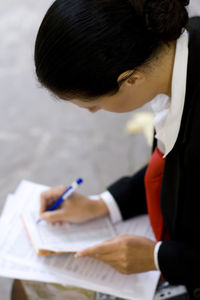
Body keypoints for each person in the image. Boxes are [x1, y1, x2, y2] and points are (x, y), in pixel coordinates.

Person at [34, 0, 200, 299]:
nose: (94, 113)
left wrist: (157, 258)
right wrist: (102, 205)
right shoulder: (175, 56)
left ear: (131, 78)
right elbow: (171, 168)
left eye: (93, 104)